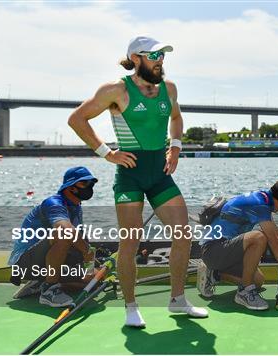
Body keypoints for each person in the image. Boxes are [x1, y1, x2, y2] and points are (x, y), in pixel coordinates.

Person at [68, 35, 207, 328]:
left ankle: (178, 299)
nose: (160, 61)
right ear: (136, 59)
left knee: (183, 235)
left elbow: (177, 119)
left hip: (160, 173)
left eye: (162, 56)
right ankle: (131, 306)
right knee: (130, 242)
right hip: (130, 174)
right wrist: (107, 153)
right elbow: (78, 119)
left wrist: (176, 148)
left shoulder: (169, 88)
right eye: (154, 56)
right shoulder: (115, 90)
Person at [197, 177, 278, 310]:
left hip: (225, 249)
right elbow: (274, 243)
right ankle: (244, 292)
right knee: (259, 237)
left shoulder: (265, 199)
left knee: (258, 281)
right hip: (213, 250)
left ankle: (213, 274)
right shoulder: (260, 204)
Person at [8, 166, 98, 307]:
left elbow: (80, 238)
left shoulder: (76, 206)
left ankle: (40, 283)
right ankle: (49, 289)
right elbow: (65, 231)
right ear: (70, 187)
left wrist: (90, 263)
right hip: (24, 262)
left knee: (94, 281)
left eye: (91, 183)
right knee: (63, 234)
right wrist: (87, 252)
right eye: (84, 183)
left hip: (46, 259)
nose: (89, 186)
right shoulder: (54, 203)